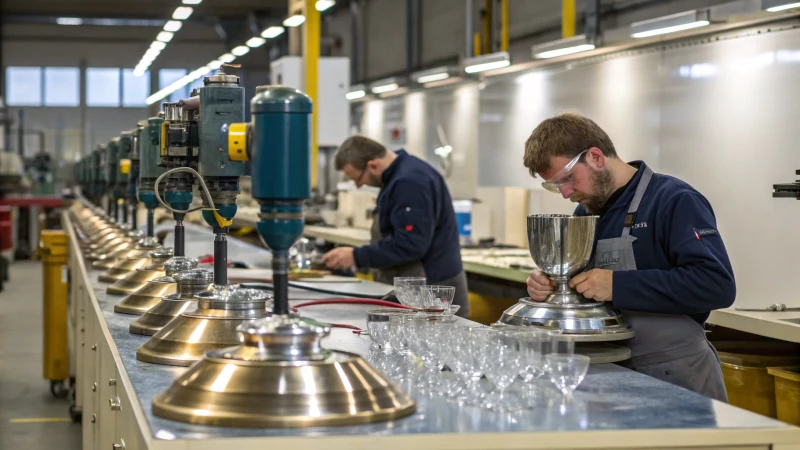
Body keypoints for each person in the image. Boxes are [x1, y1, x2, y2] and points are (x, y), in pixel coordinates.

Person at [523, 113, 735, 401]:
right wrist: (549, 284)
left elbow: (716, 285)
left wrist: (618, 286)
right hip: (608, 369)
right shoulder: (586, 211)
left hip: (676, 372)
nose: (565, 193)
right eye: (555, 186)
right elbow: (580, 284)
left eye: (568, 179)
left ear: (596, 157)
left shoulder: (674, 200)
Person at [322, 136, 470, 318]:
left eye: (358, 179)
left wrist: (356, 256)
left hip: (433, 295)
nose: (358, 185)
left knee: (433, 345)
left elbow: (410, 244)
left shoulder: (410, 182)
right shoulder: (399, 176)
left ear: (373, 165)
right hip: (419, 291)